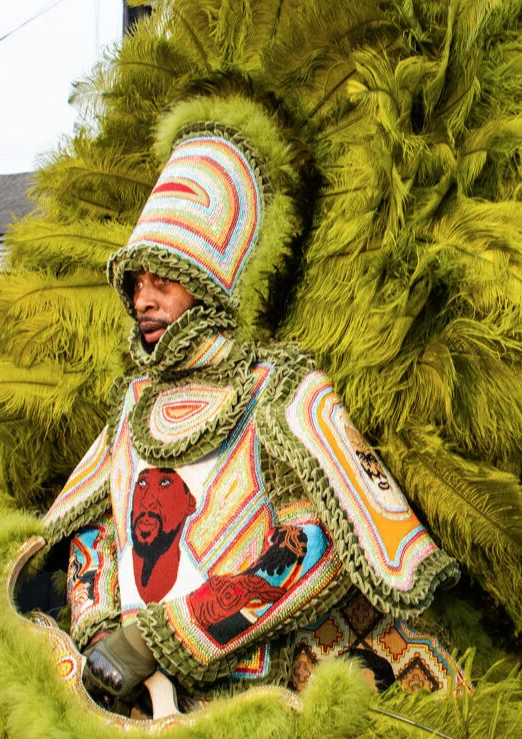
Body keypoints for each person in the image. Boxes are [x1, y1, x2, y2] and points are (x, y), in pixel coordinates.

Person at [45, 122, 464, 706]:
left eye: (162, 281)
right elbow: (97, 531)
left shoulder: (280, 388)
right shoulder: (133, 403)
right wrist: (100, 634)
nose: (143, 299)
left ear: (203, 285)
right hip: (124, 700)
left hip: (251, 703)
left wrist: (164, 637)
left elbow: (319, 544)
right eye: (136, 284)